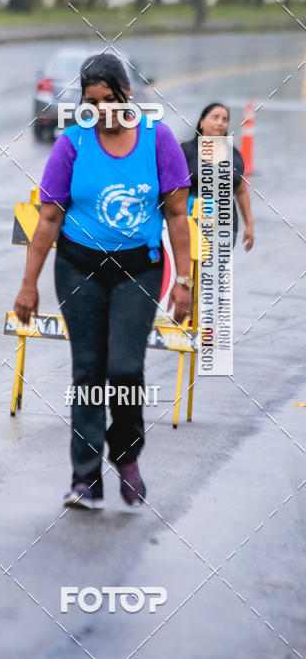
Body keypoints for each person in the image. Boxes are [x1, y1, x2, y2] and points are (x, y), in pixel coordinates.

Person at [13, 53, 192, 510]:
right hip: (78, 269)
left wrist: (184, 280)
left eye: (108, 101)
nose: (101, 112)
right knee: (88, 370)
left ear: (126, 94)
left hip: (140, 269)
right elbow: (48, 220)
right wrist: (28, 285)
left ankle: (127, 456)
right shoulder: (71, 144)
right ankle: (85, 479)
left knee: (125, 369)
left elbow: (176, 216)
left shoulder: (159, 141)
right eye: (91, 103)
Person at [180, 102, 254, 250]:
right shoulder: (186, 151)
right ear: (202, 122)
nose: (220, 122)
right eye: (215, 117)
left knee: (217, 271)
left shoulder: (233, 154)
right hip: (191, 224)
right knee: (193, 271)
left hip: (226, 227)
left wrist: (249, 226)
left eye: (224, 119)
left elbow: (242, 191)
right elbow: (173, 189)